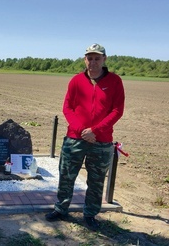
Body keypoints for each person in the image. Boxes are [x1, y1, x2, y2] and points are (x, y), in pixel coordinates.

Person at [45, 43, 125, 231]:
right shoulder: (76, 81)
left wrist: (95, 131)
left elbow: (117, 110)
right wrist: (82, 130)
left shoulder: (115, 81)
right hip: (74, 138)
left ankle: (89, 214)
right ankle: (61, 209)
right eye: (90, 58)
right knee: (66, 175)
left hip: (101, 140)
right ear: (85, 59)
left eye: (97, 58)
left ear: (104, 59)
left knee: (96, 180)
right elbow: (68, 108)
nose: (93, 62)